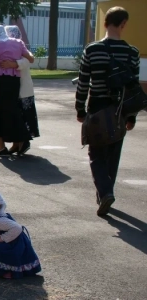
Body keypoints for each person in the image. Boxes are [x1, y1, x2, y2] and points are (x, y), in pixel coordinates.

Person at [75, 7, 139, 216]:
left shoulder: (92, 50)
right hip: (120, 109)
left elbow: (83, 82)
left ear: (104, 24)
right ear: (123, 24)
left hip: (97, 107)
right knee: (113, 153)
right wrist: (131, 116)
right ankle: (106, 191)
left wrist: (80, 108)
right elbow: (133, 88)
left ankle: (104, 192)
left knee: (96, 154)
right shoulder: (132, 53)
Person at [0, 24, 35, 157]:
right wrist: (15, 63)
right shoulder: (19, 43)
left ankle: (1, 145)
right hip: (15, 81)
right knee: (13, 110)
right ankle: (20, 140)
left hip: (2, 80)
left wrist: (8, 64)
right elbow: (31, 58)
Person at [3, 25, 40, 152]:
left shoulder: (20, 45)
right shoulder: (7, 48)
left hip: (23, 89)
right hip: (12, 88)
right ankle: (15, 143)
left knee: (23, 117)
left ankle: (23, 142)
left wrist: (13, 64)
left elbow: (28, 60)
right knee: (15, 116)